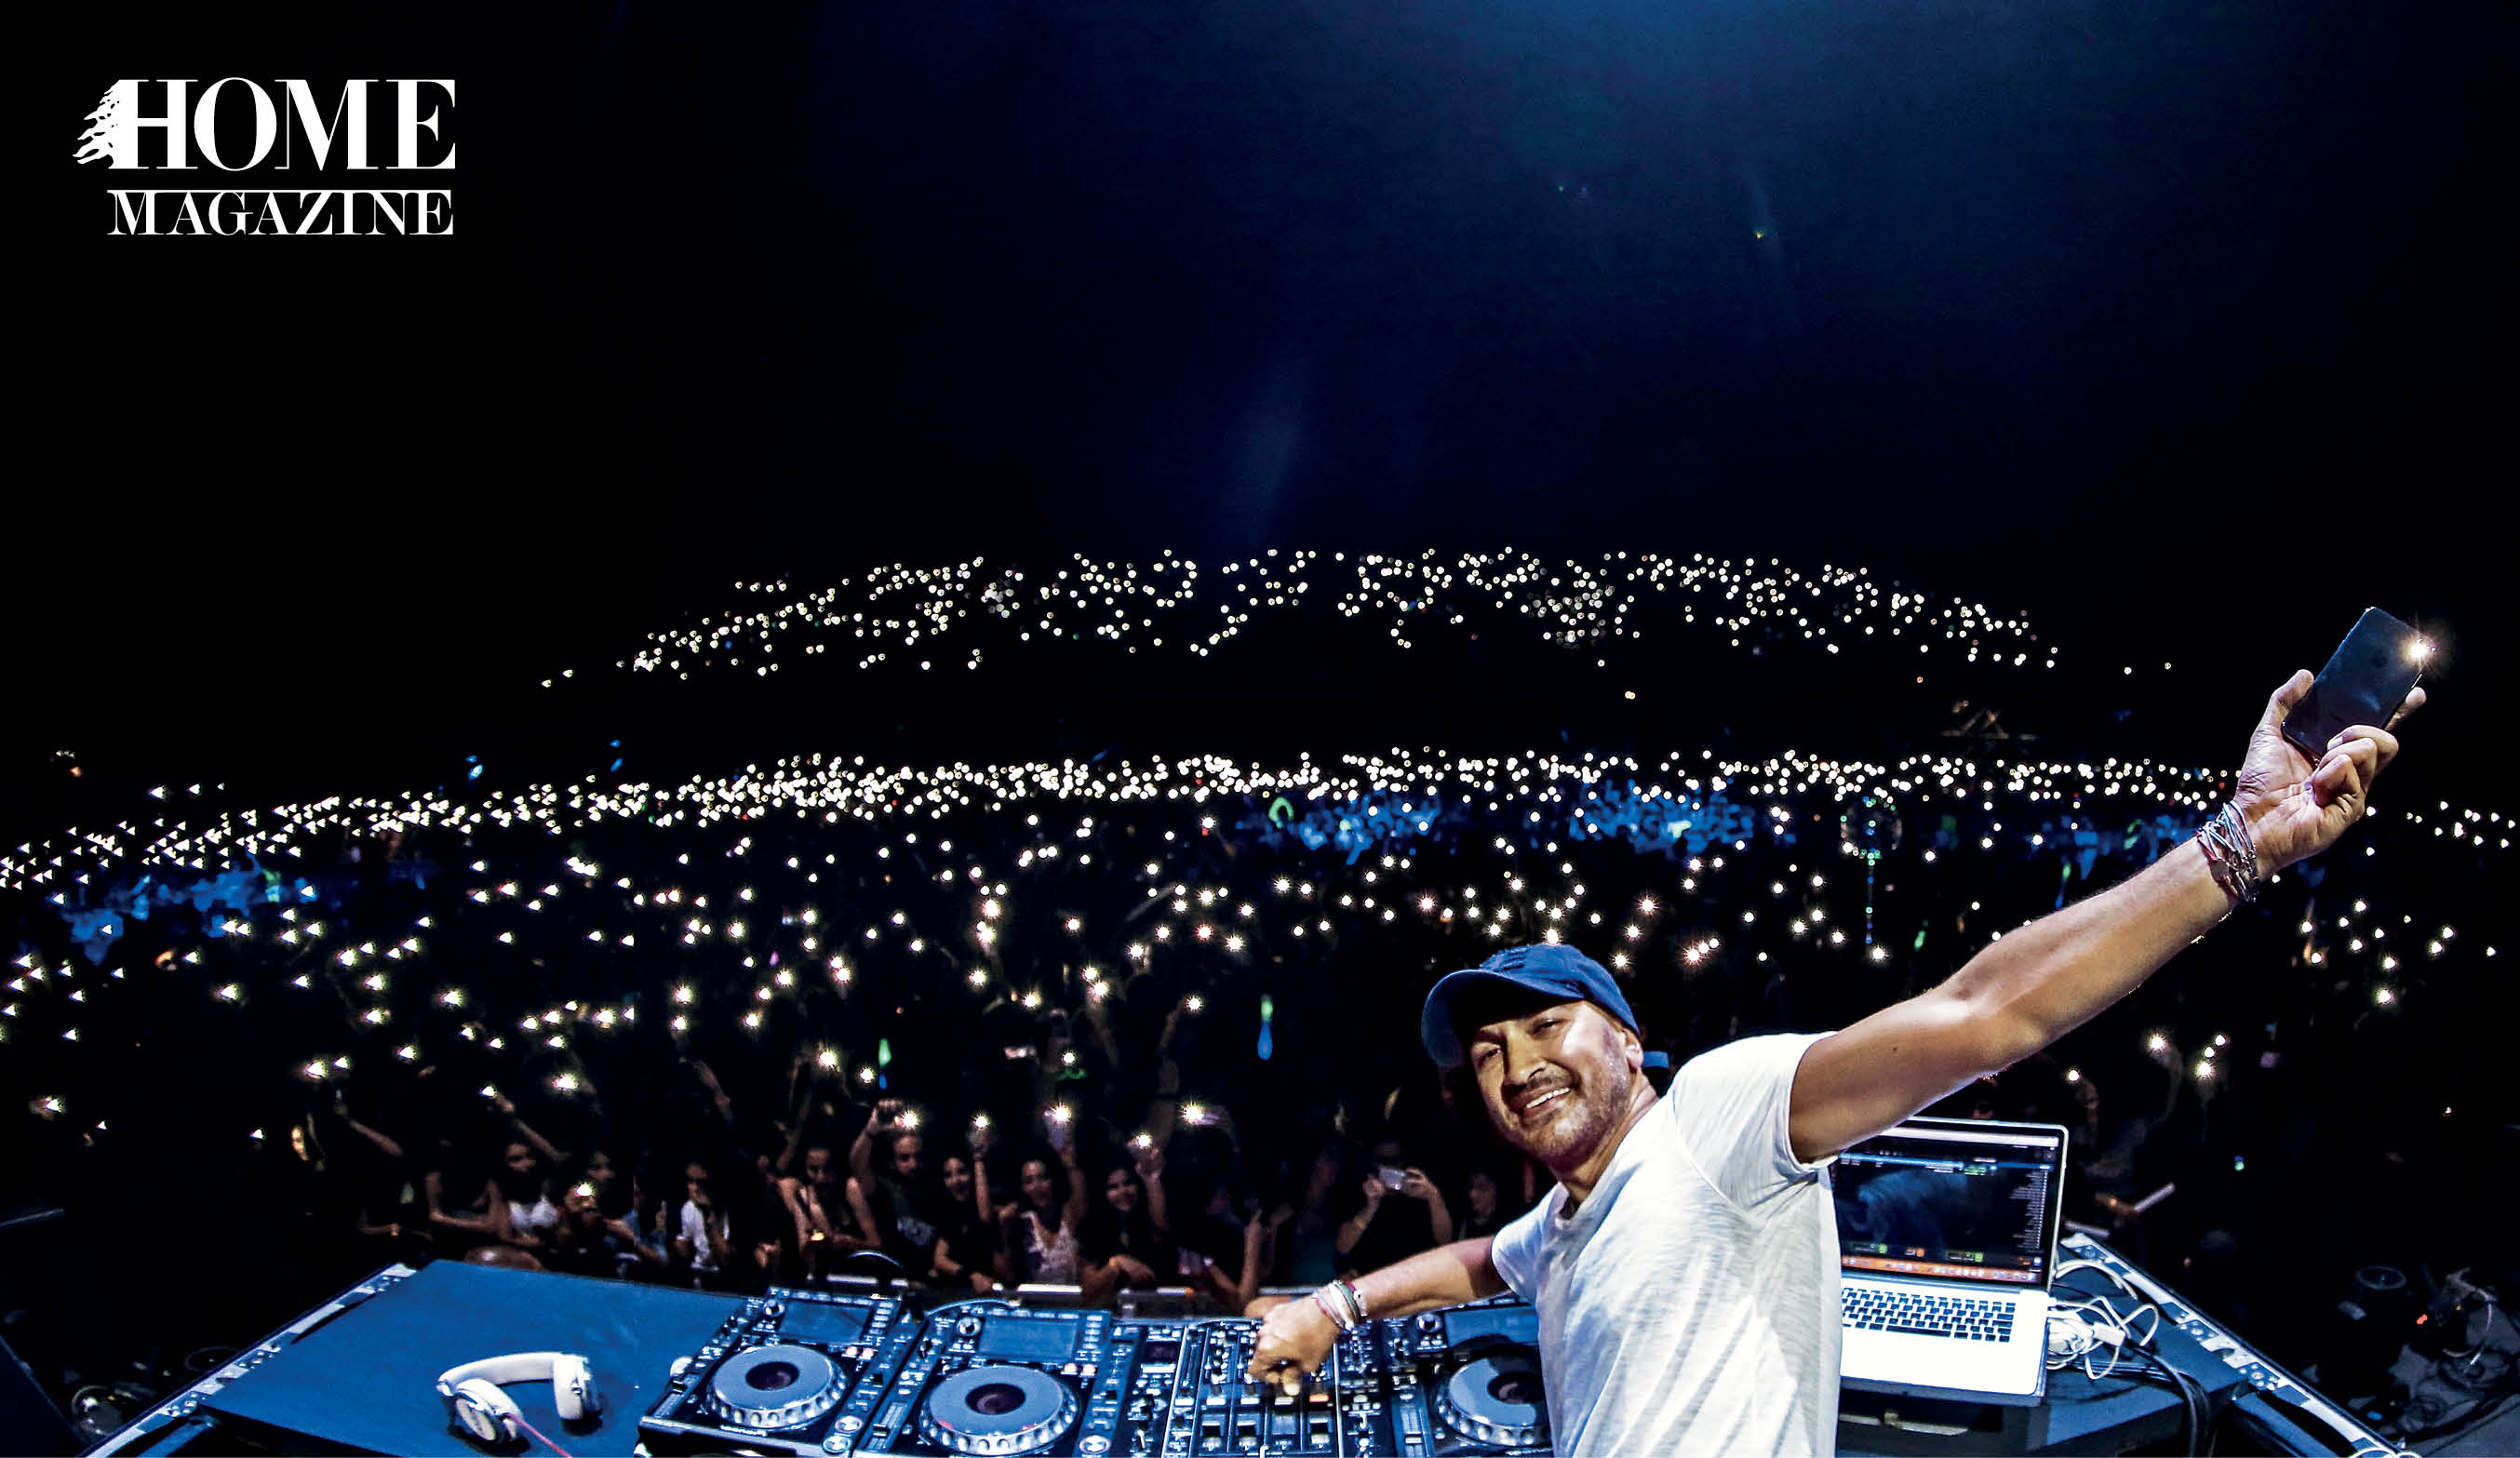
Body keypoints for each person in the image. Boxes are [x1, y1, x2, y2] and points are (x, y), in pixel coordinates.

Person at [1246, 673, 2418, 1454]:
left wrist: (2243, 841)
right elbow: (1476, 1261)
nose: (1517, 1067)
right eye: (1488, 1053)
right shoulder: (1559, 1222)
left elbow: (1984, 1011)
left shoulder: (1710, 1116)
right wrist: (1332, 1305)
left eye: (1547, 1026)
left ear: (1628, 1038)